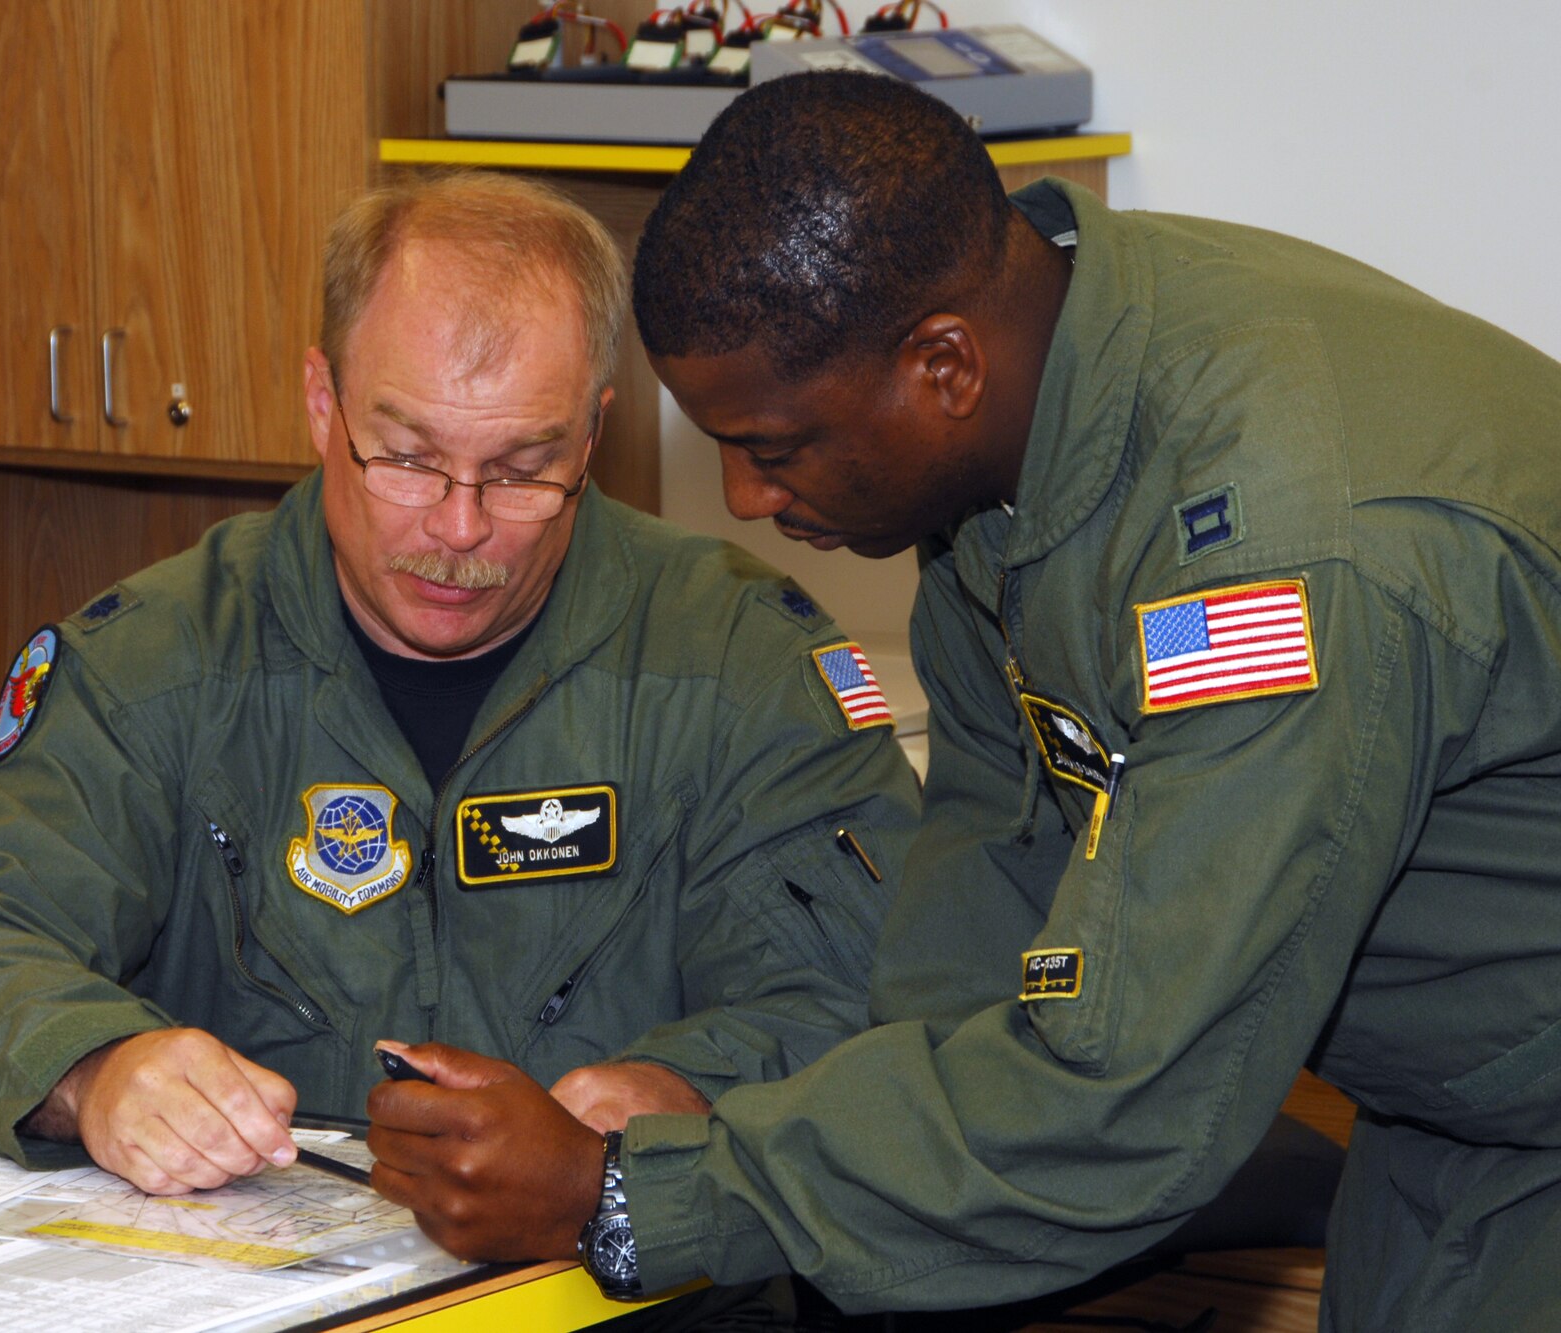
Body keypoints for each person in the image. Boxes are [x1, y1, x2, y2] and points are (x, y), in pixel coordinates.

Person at [365, 74, 1561, 1332]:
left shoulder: (1278, 560)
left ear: (940, 365)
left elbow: (1123, 1097)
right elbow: (973, 937)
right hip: (1452, 1127)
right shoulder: (1020, 424)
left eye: (772, 446)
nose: (742, 498)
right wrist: (767, 1137)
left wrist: (631, 1197)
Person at [0, 171, 918, 1203]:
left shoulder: (736, 658)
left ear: (592, 433)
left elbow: (883, 992)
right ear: (321, 402)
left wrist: (681, 1091)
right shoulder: (158, 660)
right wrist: (94, 1068)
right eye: (404, 457)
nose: (458, 528)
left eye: (522, 468)